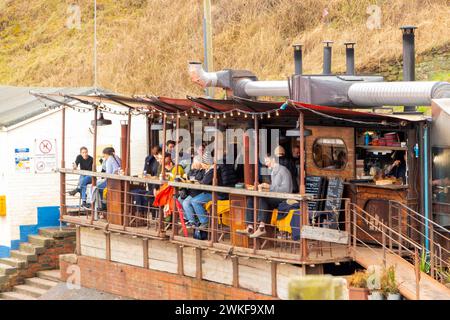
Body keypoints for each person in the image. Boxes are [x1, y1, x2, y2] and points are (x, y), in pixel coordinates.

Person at [237, 154, 293, 238]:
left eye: (267, 161)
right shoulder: (273, 171)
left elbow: (286, 190)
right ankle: (249, 227)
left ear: (273, 159)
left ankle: (262, 228)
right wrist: (265, 187)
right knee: (251, 199)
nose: (266, 164)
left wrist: (269, 187)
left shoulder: (283, 171)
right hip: (275, 197)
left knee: (263, 199)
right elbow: (274, 188)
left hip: (284, 199)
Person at [178, 160, 205, 228]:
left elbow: (200, 180)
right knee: (180, 199)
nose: (194, 164)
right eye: (194, 163)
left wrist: (191, 180)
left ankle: (192, 221)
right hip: (191, 191)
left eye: (196, 163)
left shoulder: (203, 171)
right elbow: (187, 177)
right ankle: (188, 218)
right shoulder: (192, 170)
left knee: (186, 203)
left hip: (198, 192)